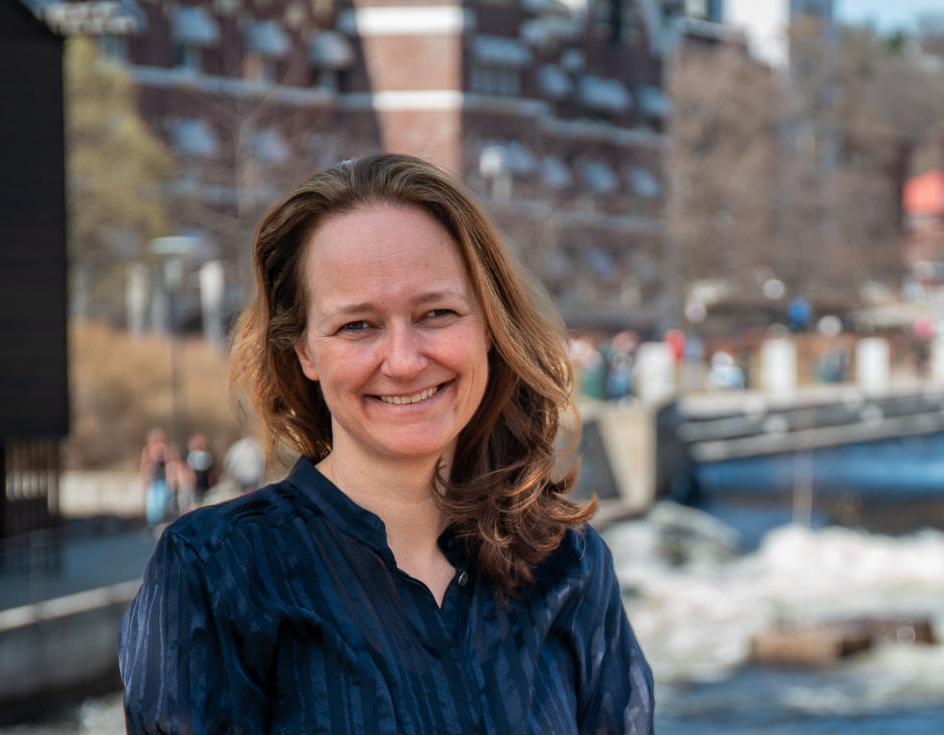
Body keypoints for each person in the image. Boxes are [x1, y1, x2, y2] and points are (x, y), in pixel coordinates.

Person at [120, 155, 654, 734]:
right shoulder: (212, 575)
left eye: (437, 313)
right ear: (304, 351)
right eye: (357, 325)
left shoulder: (569, 563)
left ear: (489, 328)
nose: (403, 362)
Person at [138, 428, 173, 527]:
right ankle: (152, 523)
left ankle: (160, 520)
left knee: (162, 500)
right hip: (152, 480)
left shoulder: (165, 449)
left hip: (162, 479)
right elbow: (144, 465)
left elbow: (169, 464)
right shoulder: (147, 449)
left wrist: (170, 479)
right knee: (152, 502)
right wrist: (143, 479)